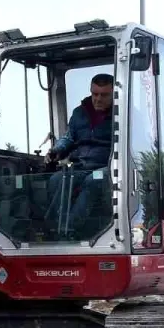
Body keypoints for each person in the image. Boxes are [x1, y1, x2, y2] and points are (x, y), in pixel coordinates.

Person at [46, 73, 115, 235]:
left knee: (93, 181)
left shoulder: (123, 115)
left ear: (114, 94)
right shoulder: (79, 113)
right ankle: (56, 226)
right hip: (80, 166)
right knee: (56, 180)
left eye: (104, 95)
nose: (97, 99)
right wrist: (56, 150)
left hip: (107, 167)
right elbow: (69, 138)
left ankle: (69, 229)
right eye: (94, 94)